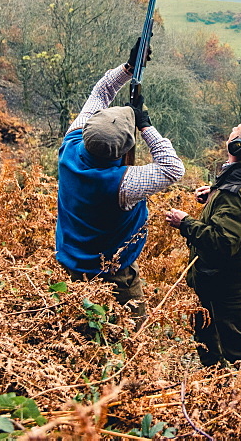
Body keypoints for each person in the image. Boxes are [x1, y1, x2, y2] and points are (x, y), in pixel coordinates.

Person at [56, 39, 186, 331]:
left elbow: (101, 92)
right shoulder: (124, 184)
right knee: (129, 339)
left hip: (70, 266)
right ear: (123, 150)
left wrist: (129, 67)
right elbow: (172, 167)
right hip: (115, 275)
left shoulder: (71, 142)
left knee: (79, 339)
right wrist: (145, 124)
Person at [166, 119, 241, 368]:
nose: (230, 133)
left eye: (234, 133)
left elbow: (222, 242)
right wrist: (215, 195)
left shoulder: (235, 194)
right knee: (210, 336)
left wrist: (185, 223)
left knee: (233, 351)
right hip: (231, 280)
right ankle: (216, 388)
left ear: (238, 147)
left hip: (228, 287)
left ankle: (238, 395)